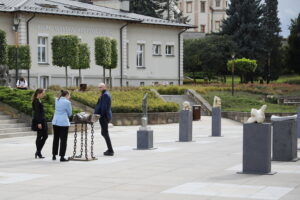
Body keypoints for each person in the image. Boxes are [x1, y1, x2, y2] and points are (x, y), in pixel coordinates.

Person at [52, 90, 72, 162]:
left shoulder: (57, 100)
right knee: (63, 140)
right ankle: (62, 157)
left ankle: (54, 155)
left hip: (56, 121)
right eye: (69, 95)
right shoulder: (67, 102)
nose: (69, 97)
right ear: (66, 95)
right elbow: (70, 113)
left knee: (56, 139)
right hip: (63, 122)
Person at [94, 83, 114, 156]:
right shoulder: (104, 94)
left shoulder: (105, 95)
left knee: (105, 133)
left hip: (104, 116)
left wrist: (99, 116)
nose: (99, 88)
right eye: (98, 87)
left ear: (104, 87)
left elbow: (104, 107)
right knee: (104, 133)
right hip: (104, 116)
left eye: (101, 87)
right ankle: (110, 149)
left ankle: (110, 150)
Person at [32, 88, 48, 159]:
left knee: (45, 136)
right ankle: (38, 152)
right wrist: (39, 123)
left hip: (42, 120)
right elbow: (37, 113)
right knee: (40, 136)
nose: (44, 94)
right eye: (43, 93)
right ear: (39, 93)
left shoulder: (38, 100)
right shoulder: (36, 101)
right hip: (40, 121)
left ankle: (38, 151)